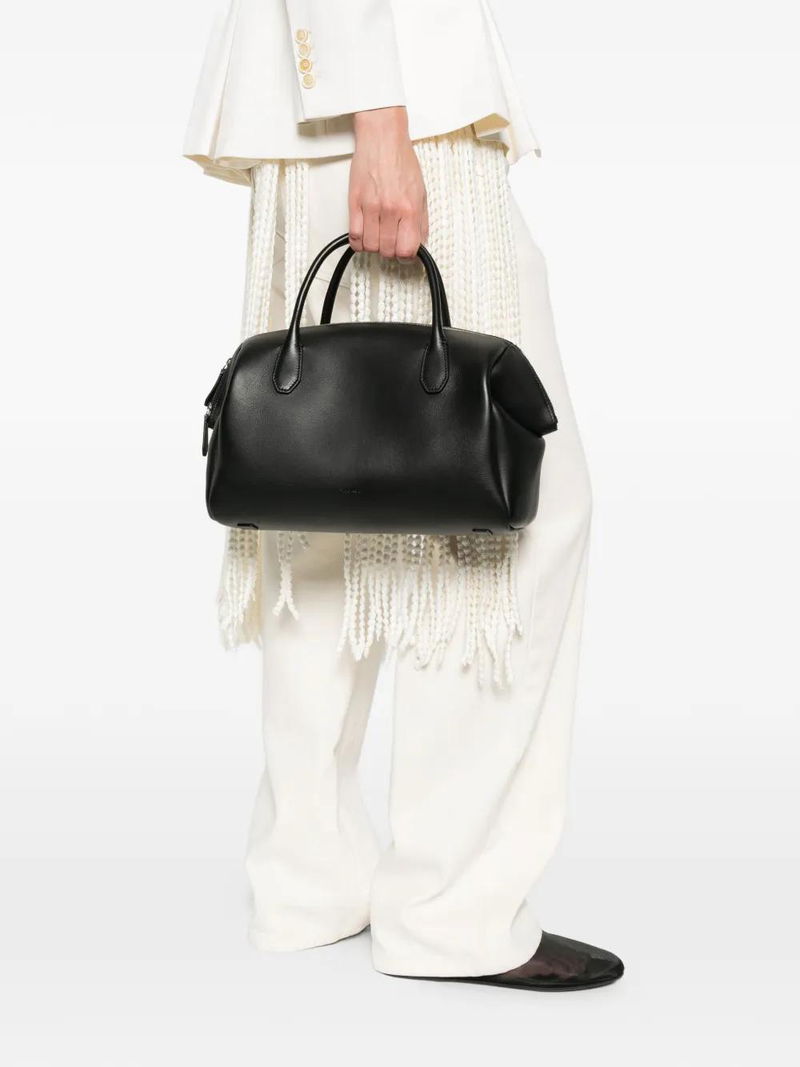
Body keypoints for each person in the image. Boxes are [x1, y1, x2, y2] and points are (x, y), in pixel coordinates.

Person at [185, 0, 624, 991]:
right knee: (506, 509)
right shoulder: (386, 115)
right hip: (398, 104)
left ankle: (309, 879)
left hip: (326, 103)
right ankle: (449, 909)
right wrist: (380, 123)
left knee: (322, 494)